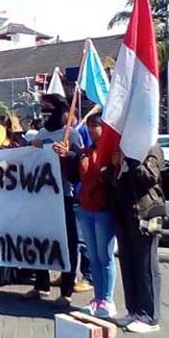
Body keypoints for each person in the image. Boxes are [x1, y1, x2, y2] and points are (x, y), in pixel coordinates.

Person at [24, 93, 84, 307]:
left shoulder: (72, 135)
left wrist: (67, 154)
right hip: (42, 197)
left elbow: (80, 165)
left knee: (68, 243)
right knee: (40, 240)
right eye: (43, 108)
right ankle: (41, 285)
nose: (45, 112)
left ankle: (66, 290)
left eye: (49, 107)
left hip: (64, 197)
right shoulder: (41, 133)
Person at [112, 144, 165, 334]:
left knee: (146, 265)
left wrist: (129, 160)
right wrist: (115, 165)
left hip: (146, 213)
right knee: (128, 263)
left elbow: (149, 177)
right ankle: (134, 310)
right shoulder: (124, 148)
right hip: (125, 212)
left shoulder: (152, 149)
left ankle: (150, 316)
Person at [75, 113, 117, 319]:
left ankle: (108, 300)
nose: (91, 130)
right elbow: (76, 175)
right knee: (94, 257)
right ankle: (98, 297)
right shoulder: (86, 152)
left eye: (96, 126)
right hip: (86, 208)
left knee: (105, 256)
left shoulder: (111, 152)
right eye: (90, 126)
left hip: (103, 210)